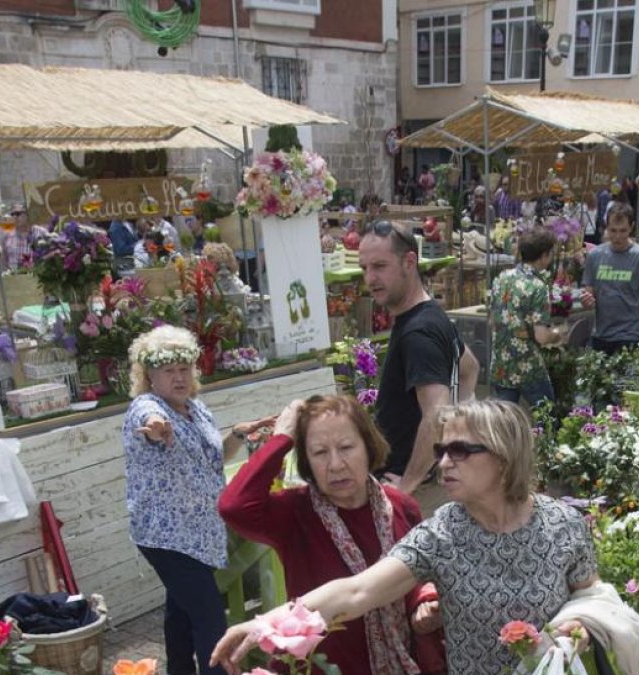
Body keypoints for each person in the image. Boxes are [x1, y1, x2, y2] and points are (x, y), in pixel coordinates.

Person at [211, 400, 600, 675]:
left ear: (504, 455)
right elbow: (356, 592)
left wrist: (580, 628)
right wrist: (270, 623)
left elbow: (592, 598)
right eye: (441, 450)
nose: (444, 462)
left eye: (460, 451)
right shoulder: (442, 531)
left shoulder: (564, 524)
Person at [218, 395, 441, 675]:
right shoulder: (294, 512)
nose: (335, 464)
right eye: (320, 453)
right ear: (307, 461)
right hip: (321, 666)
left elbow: (415, 576)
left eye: (346, 447)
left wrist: (424, 603)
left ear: (368, 447)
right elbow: (233, 507)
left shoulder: (400, 506)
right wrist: (282, 439)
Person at [123, 326, 238, 675]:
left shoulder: (197, 409)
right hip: (167, 537)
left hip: (199, 535)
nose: (179, 377)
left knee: (181, 613)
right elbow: (151, 423)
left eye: (184, 369)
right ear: (150, 376)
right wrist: (158, 428)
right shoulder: (147, 407)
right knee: (210, 620)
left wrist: (240, 435)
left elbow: (215, 460)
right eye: (168, 371)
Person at [358, 220, 479, 506]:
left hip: (409, 490)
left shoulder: (418, 332)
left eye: (379, 266)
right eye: (365, 268)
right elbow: (470, 366)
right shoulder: (431, 316)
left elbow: (436, 415)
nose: (370, 278)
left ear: (409, 262)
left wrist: (407, 485)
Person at [488, 227, 564, 407]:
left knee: (503, 424)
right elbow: (542, 337)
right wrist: (558, 334)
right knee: (546, 418)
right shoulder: (537, 287)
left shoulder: (501, 278)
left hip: (501, 363)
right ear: (544, 255)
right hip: (527, 365)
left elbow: (493, 319)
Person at [581, 202, 639, 355]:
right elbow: (588, 294)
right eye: (613, 230)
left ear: (632, 227)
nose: (617, 236)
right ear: (606, 227)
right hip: (601, 336)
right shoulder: (595, 256)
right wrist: (587, 301)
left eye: (623, 231)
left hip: (630, 338)